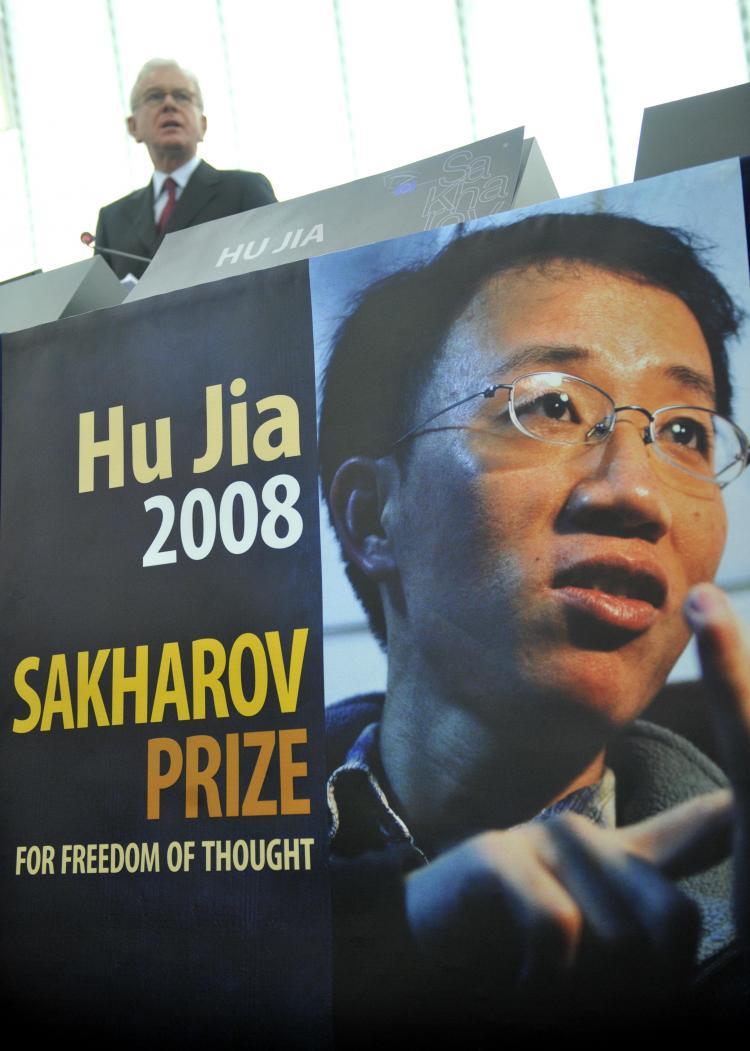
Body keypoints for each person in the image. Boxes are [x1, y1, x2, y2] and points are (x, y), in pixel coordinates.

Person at [318, 211, 750, 1040]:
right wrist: (381, 950)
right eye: (551, 405)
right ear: (373, 515)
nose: (637, 491)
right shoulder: (172, 884)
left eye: (685, 432)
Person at [94, 59, 276, 280]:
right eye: (155, 96)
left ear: (203, 125)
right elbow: (100, 307)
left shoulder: (244, 191)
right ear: (133, 127)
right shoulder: (112, 220)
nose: (169, 104)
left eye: (182, 96)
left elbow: (278, 278)